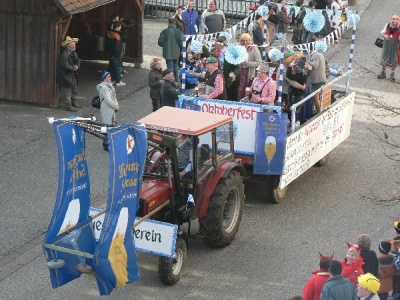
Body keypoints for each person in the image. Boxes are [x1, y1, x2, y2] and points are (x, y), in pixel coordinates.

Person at [97, 71, 119, 151]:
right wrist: (116, 106)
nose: (110, 78)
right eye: (108, 77)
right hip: (107, 108)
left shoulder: (110, 87)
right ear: (104, 78)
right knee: (107, 125)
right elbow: (108, 100)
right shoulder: (103, 88)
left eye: (110, 76)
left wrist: (116, 105)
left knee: (112, 124)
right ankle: (106, 144)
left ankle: (110, 142)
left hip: (111, 108)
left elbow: (114, 97)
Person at [59, 36, 81, 112]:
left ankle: (74, 103)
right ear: (68, 46)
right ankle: (69, 107)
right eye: (72, 44)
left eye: (74, 44)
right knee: (67, 91)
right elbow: (65, 66)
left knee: (74, 89)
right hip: (65, 76)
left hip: (72, 75)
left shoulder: (74, 53)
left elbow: (77, 60)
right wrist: (73, 68)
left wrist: (77, 66)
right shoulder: (64, 55)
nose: (74, 45)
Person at [237, 33, 261, 100]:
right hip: (240, 72)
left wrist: (248, 63)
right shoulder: (239, 48)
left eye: (247, 40)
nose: (245, 42)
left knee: (248, 90)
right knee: (240, 90)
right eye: (243, 40)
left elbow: (259, 62)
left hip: (250, 72)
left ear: (250, 40)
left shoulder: (254, 48)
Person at [377, 15, 400, 81]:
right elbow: (382, 32)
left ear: (399, 21)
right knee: (384, 57)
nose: (394, 20)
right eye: (393, 19)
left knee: (393, 58)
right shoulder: (387, 25)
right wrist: (385, 36)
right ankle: (383, 72)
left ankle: (392, 75)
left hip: (395, 45)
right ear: (391, 19)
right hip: (387, 44)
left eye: (396, 19)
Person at [307, 43, 326, 113]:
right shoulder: (319, 54)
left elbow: (315, 65)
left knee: (315, 98)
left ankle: (319, 111)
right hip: (319, 79)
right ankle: (318, 110)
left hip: (317, 80)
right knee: (317, 98)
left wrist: (307, 62)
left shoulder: (316, 55)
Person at [106, 21, 126, 86]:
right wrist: (118, 53)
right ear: (117, 27)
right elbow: (117, 46)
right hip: (116, 54)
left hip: (111, 53)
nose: (121, 27)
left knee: (112, 67)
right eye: (120, 26)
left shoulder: (110, 33)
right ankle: (118, 81)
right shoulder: (117, 35)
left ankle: (113, 79)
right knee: (118, 67)